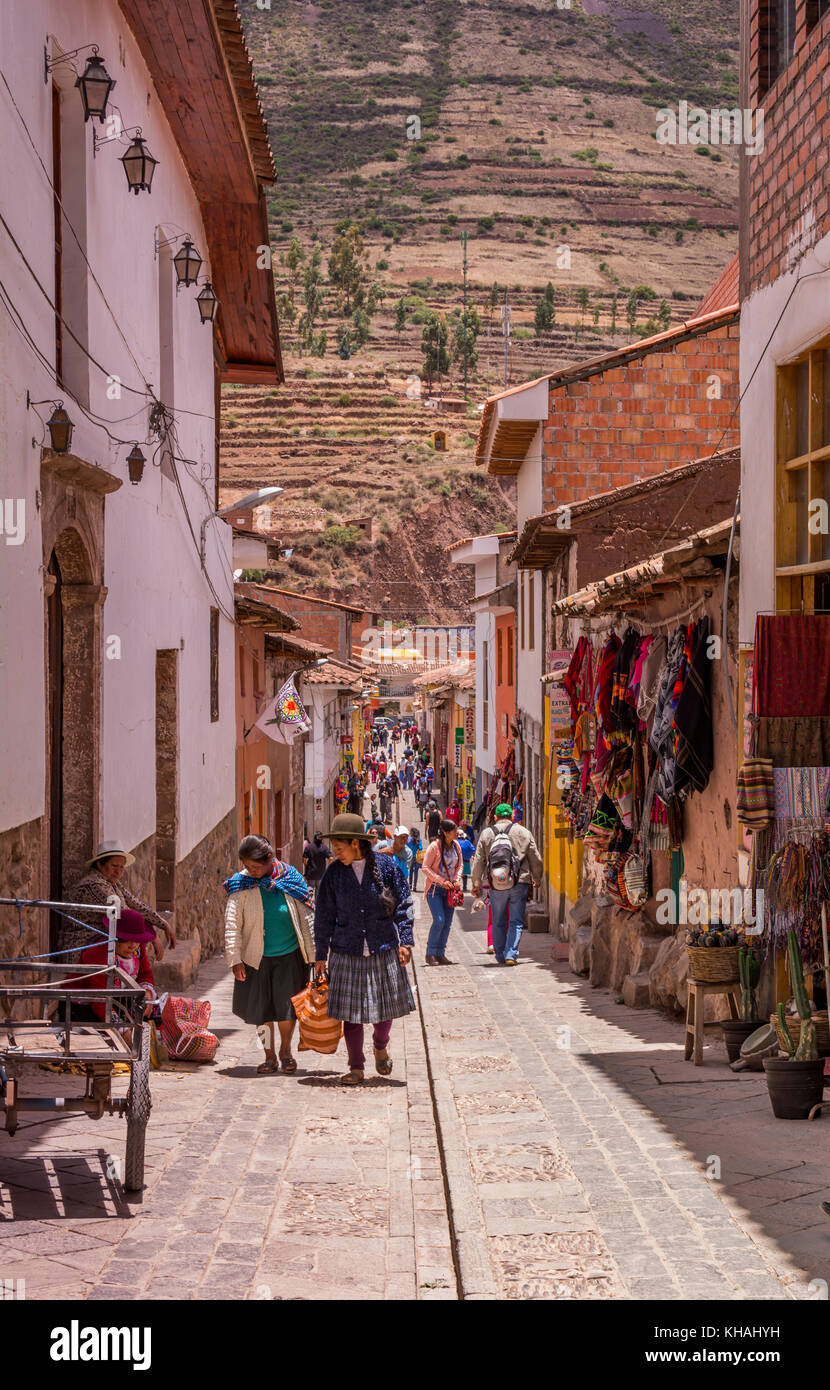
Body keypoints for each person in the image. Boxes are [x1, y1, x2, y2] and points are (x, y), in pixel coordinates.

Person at [314, 813, 415, 1086]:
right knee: (351, 1014)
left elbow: (403, 904)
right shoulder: (333, 875)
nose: (336, 852)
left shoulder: (386, 867)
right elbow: (323, 916)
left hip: (383, 947)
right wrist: (320, 956)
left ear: (356, 843)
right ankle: (356, 1066)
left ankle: (380, 1044)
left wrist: (405, 940)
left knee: (385, 1012)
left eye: (339, 847)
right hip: (346, 950)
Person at [224, 834, 315, 1074]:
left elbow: (307, 917)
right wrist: (235, 958)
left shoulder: (291, 879)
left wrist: (314, 953)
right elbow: (232, 923)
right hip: (255, 958)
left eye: (255, 866)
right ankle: (268, 1056)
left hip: (290, 955)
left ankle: (286, 1051)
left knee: (287, 1009)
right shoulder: (240, 885)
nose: (251, 871)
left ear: (269, 859)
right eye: (247, 867)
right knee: (260, 1011)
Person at [67, 840, 175, 962]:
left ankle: (142, 978)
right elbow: (125, 915)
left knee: (136, 941)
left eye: (121, 867)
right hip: (85, 945)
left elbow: (135, 903)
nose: (118, 872)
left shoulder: (113, 883)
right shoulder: (94, 884)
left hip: (103, 939)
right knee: (134, 937)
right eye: (114, 866)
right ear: (100, 865)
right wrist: (153, 937)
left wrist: (163, 924)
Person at [471, 804, 543, 965]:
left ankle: (499, 954)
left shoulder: (487, 834)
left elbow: (478, 860)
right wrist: (537, 879)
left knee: (497, 919)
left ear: (495, 817)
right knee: (516, 920)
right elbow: (535, 858)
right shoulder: (523, 832)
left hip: (495, 883)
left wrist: (476, 883)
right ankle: (511, 954)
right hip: (520, 882)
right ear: (512, 816)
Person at [422, 817, 463, 966]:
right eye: (454, 830)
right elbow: (425, 867)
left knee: (447, 923)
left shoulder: (456, 846)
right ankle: (430, 953)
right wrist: (441, 881)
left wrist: (457, 879)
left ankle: (440, 953)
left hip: (450, 890)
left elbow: (460, 865)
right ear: (446, 833)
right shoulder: (434, 847)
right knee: (439, 920)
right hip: (435, 890)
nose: (457, 832)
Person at [459, 824, 475, 891]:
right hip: (465, 860)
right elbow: (473, 849)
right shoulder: (467, 842)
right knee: (464, 875)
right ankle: (464, 887)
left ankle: (456, 887)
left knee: (457, 875)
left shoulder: (454, 842)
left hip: (456, 861)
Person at [407, 827, 423, 893]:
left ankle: (410, 885)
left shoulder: (409, 840)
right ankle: (415, 887)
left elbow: (406, 846)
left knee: (410, 871)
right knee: (416, 872)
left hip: (410, 857)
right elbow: (421, 848)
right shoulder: (419, 840)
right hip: (417, 858)